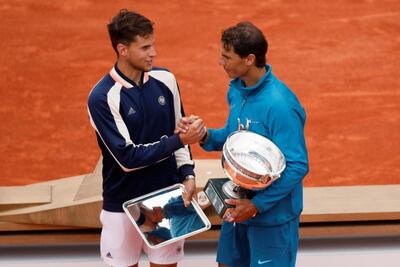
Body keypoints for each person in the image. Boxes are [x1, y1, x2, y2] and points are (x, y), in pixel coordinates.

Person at [177, 22, 309, 267]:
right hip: (237, 205)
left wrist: (256, 205)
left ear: (249, 59)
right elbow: (234, 136)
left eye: (227, 57)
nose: (221, 62)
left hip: (272, 217)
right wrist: (203, 136)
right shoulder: (237, 91)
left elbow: (297, 166)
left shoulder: (280, 105)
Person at [87, 9, 206, 267]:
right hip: (122, 205)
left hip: (167, 196)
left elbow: (179, 127)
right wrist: (180, 140)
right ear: (122, 50)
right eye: (145, 47)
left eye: (153, 45)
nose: (153, 53)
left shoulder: (166, 80)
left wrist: (188, 175)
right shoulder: (102, 98)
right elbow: (127, 158)